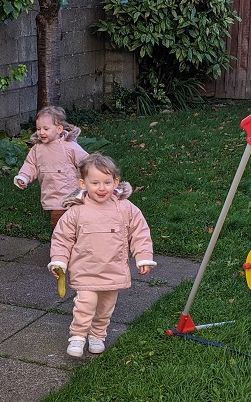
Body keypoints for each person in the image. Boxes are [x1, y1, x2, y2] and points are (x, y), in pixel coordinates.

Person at [48, 152, 156, 357]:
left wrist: (143, 256)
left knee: (106, 306)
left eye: (107, 182)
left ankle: (97, 334)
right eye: (95, 182)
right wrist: (59, 261)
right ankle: (78, 336)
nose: (101, 188)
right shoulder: (76, 212)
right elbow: (62, 239)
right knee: (85, 303)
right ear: (83, 183)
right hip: (85, 269)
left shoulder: (125, 208)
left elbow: (140, 232)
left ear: (116, 182)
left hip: (112, 269)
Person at [13, 105, 89, 228]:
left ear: (59, 129)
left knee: (73, 220)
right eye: (38, 129)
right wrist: (24, 177)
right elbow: (30, 164)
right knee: (57, 221)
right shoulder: (37, 149)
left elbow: (86, 161)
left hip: (70, 192)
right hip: (51, 191)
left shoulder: (69, 146)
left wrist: (95, 176)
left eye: (46, 129)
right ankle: (63, 242)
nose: (41, 132)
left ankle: (76, 242)